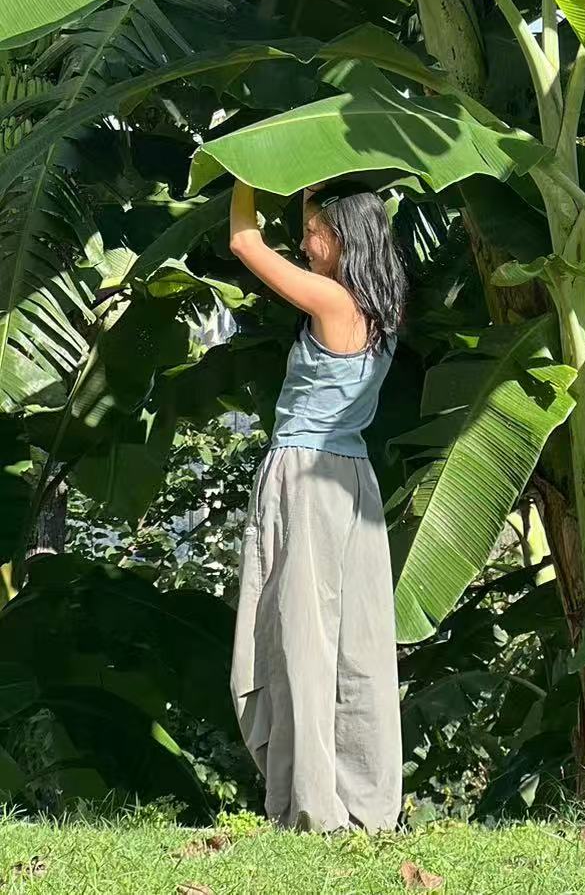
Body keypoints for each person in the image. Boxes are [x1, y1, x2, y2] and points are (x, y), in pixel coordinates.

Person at [227, 180, 405, 833]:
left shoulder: (330, 299)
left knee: (300, 638)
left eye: (317, 232)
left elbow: (244, 240)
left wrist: (242, 168)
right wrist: (308, 182)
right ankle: (364, 802)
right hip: (353, 481)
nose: (306, 241)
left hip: (305, 475)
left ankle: (312, 805)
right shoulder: (380, 306)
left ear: (346, 237)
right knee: (355, 644)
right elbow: (305, 220)